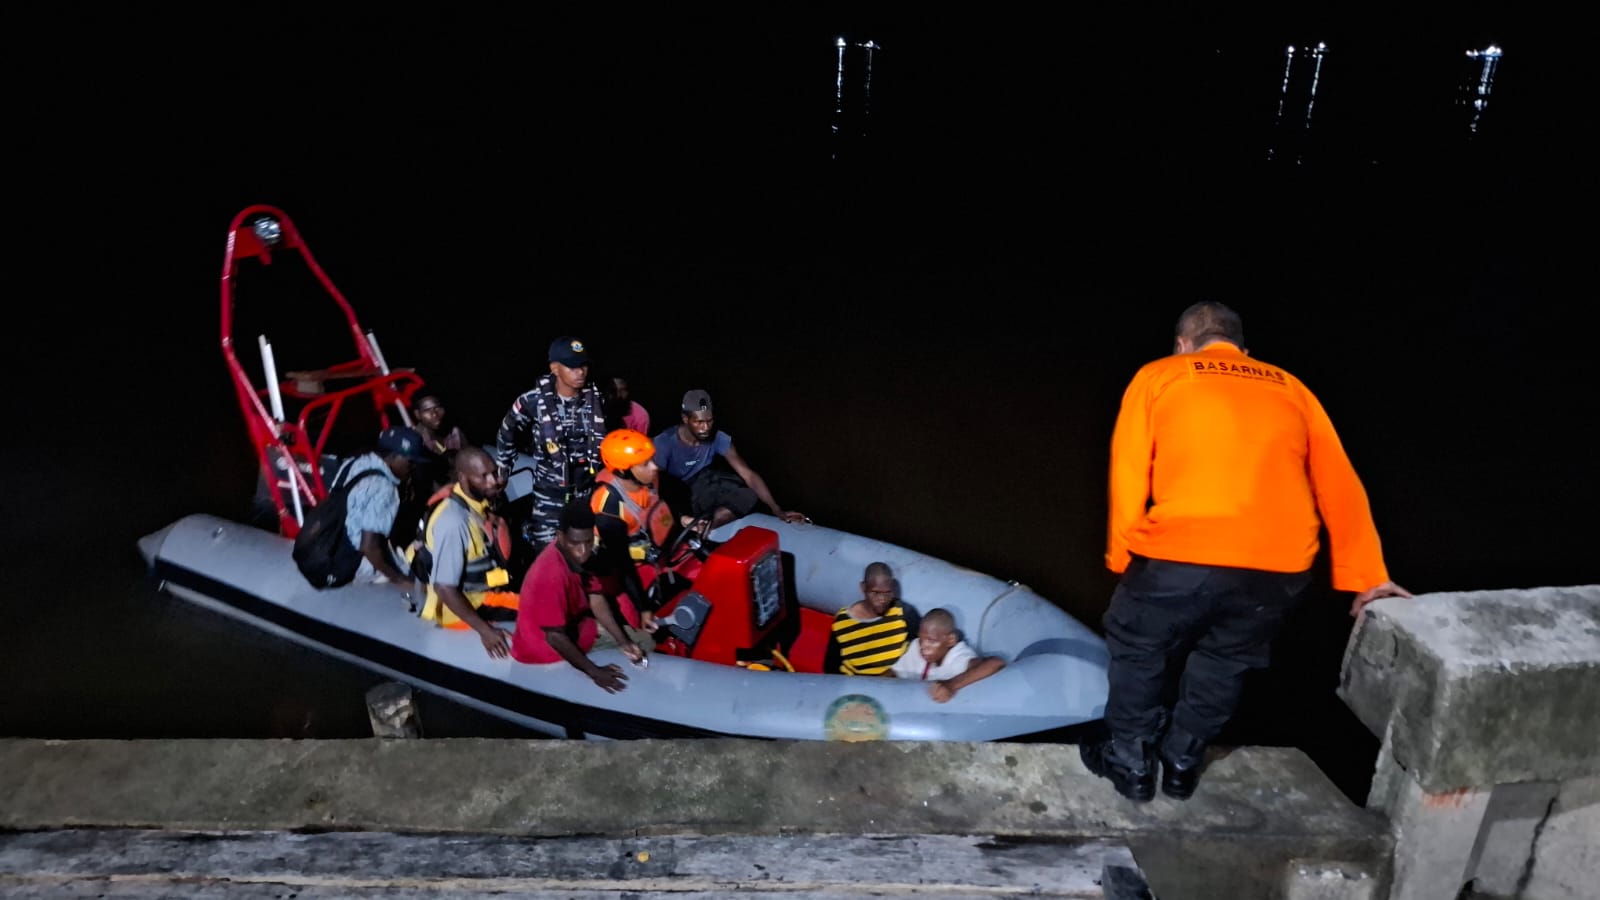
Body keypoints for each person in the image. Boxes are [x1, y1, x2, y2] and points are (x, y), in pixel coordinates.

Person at [1081, 300, 1412, 804]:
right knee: (1226, 659)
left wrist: (1122, 557)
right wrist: (1367, 576)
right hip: (1278, 565)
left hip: (1184, 548)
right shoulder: (1291, 386)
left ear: (1182, 345)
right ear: (1245, 352)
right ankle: (1181, 762)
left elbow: (1129, 469)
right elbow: (1340, 483)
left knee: (1138, 645)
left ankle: (1130, 760)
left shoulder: (1160, 375)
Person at [511, 499, 649, 693]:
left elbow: (596, 599)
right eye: (575, 543)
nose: (583, 551)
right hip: (546, 650)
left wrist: (623, 641)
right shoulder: (550, 573)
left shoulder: (580, 557)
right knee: (645, 644)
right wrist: (595, 672)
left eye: (588, 541)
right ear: (560, 537)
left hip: (576, 628)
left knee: (642, 641)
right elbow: (554, 636)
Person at [494, 336, 607, 558]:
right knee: (547, 553)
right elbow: (508, 431)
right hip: (549, 492)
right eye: (572, 367)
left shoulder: (595, 400)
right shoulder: (533, 401)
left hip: (585, 490)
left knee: (587, 552)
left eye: (583, 365)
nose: (580, 372)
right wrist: (503, 468)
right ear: (555, 368)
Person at [652, 389, 806, 530]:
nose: (705, 428)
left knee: (748, 495)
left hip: (705, 482)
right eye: (699, 422)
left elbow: (748, 475)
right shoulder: (664, 442)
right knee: (673, 495)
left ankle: (708, 526)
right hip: (678, 489)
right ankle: (694, 525)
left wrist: (777, 509)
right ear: (685, 418)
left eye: (709, 421)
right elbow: (654, 486)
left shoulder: (718, 437)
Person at [415, 447, 517, 659]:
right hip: (466, 606)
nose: (493, 481)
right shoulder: (454, 521)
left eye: (494, 473)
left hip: (485, 591)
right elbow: (444, 588)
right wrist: (485, 631)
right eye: (483, 477)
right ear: (463, 478)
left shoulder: (476, 503)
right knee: (542, 609)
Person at [589, 429, 679, 632]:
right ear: (623, 471)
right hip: (622, 571)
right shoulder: (609, 508)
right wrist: (644, 609)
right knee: (640, 624)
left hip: (658, 554)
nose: (655, 467)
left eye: (652, 460)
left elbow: (658, 508)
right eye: (646, 463)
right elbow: (623, 565)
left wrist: (683, 519)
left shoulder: (646, 479)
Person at [335, 426, 428, 602]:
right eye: (410, 462)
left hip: (333, 545)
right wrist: (399, 580)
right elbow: (368, 547)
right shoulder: (384, 488)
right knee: (419, 583)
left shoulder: (353, 463)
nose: (413, 467)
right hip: (356, 563)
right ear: (392, 456)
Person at [890, 607, 1006, 702]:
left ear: (951, 640)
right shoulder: (915, 646)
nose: (923, 646)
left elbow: (996, 662)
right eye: (921, 638)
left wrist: (951, 685)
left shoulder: (959, 657)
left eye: (931, 641)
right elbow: (893, 673)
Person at [823, 561, 918, 676]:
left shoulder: (904, 613)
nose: (882, 599)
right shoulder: (842, 622)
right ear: (863, 587)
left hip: (895, 683)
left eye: (887, 592)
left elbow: (918, 652)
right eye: (875, 592)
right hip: (855, 683)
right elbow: (831, 667)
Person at [409, 393, 468, 493]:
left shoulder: (454, 432)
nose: (435, 414)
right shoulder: (416, 439)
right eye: (427, 410)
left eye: (437, 408)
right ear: (417, 414)